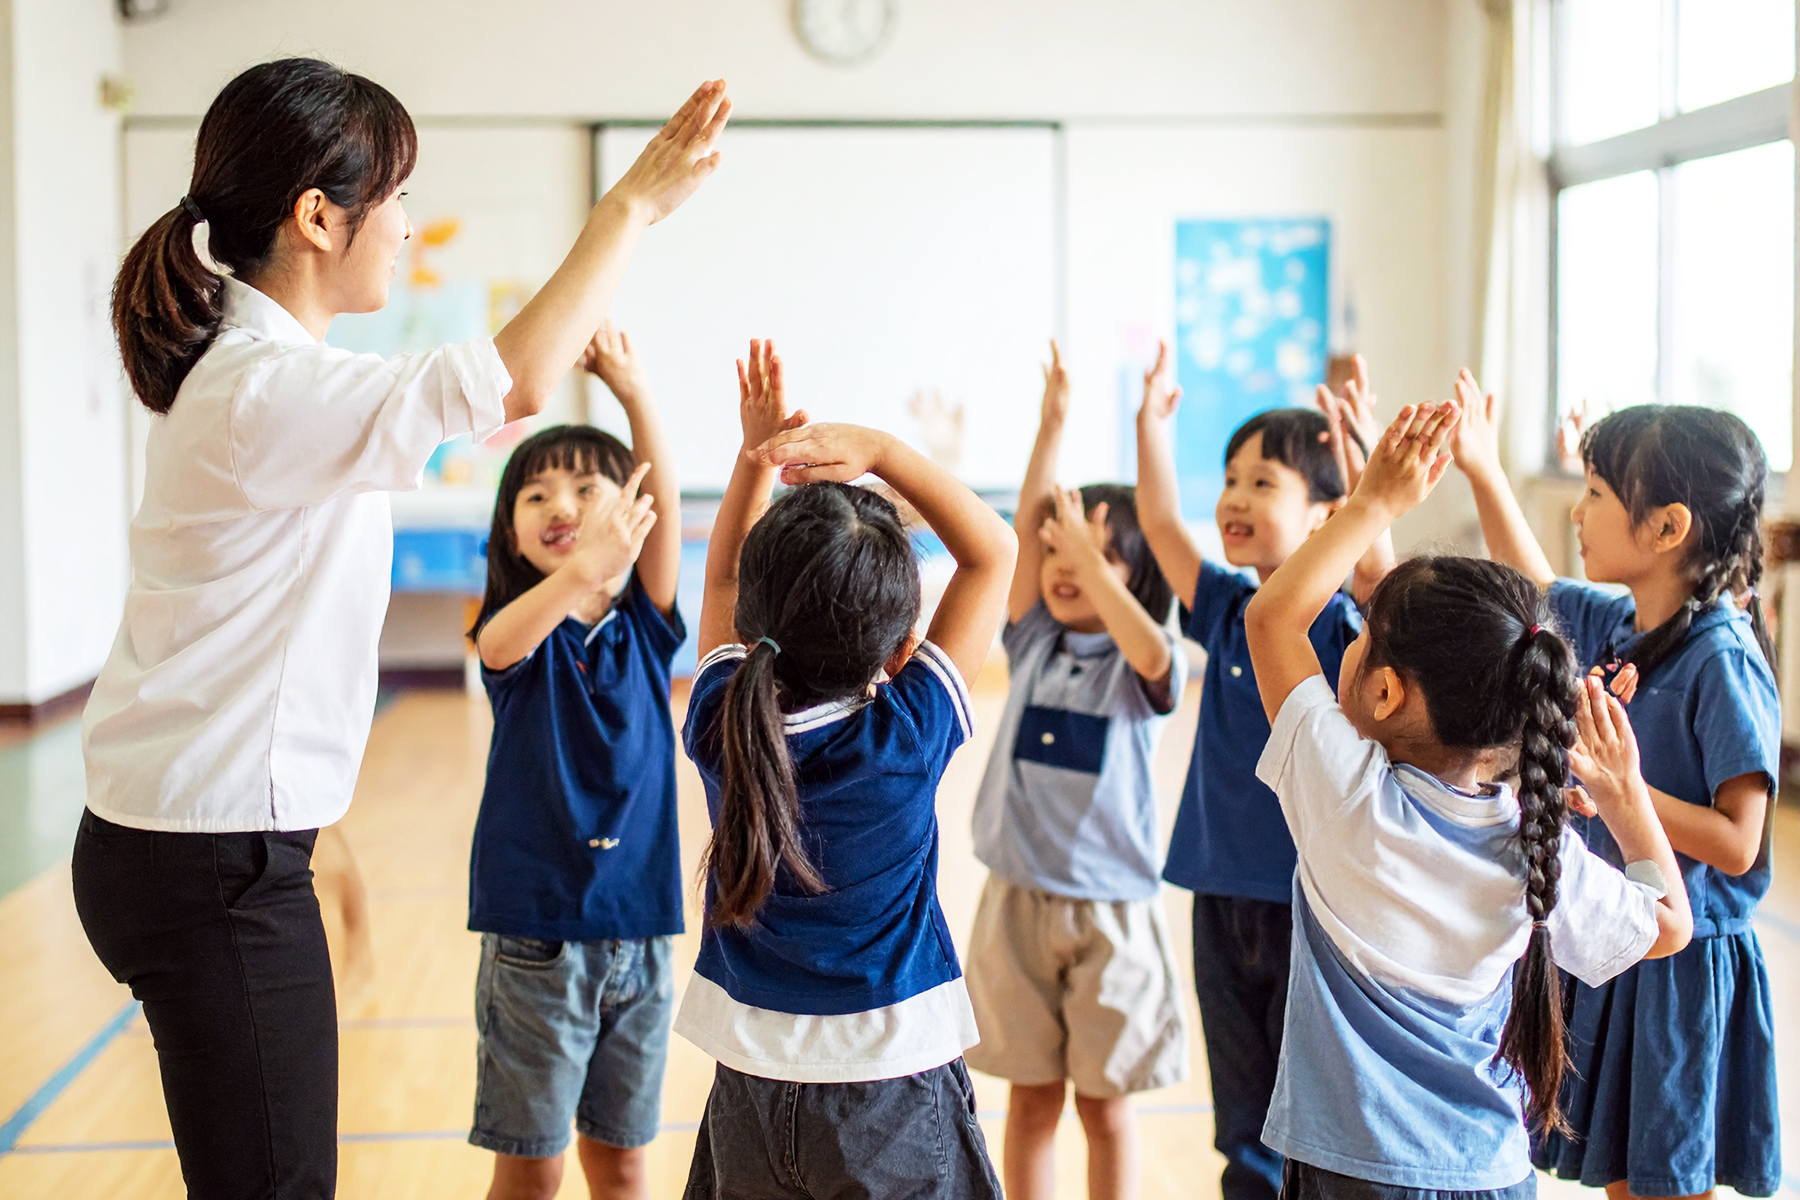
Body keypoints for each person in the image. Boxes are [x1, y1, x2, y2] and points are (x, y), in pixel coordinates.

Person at [73, 56, 729, 1199]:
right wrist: (629, 208)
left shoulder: (279, 379)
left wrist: (309, 831)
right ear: (318, 216)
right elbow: (515, 382)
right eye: (399, 200)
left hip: (213, 843)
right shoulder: (264, 388)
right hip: (207, 861)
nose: (411, 229)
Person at [1244, 398, 1693, 1200]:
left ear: (1383, 691)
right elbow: (1668, 927)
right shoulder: (1534, 841)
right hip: (1493, 1174)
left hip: (1355, 1177)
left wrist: (1375, 501)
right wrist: (1627, 803)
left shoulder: (1348, 799)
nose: (1343, 646)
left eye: (1360, 639)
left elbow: (1274, 616)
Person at [677, 340, 1014, 1199]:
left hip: (748, 1083)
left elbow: (717, 570)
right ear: (904, 648)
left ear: (752, 624)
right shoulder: (905, 737)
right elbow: (993, 553)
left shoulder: (723, 716)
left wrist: (755, 455)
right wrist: (884, 450)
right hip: (891, 1087)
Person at [1447, 382, 1783, 1200]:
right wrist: (1486, 470)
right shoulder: (1615, 621)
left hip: (1686, 966)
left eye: (1595, 494)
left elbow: (1740, 843)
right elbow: (1532, 585)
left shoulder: (1721, 658)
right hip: (1619, 938)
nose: (1577, 513)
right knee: (1625, 1182)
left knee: (1672, 1183)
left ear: (1668, 528)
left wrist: (1623, 788)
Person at [1134, 344, 1392, 1200]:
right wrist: (1151, 433)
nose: (1235, 499)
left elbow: (1382, 581)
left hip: (1309, 905)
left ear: (1328, 514)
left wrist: (1373, 495)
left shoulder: (1347, 626)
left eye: (1263, 483)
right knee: (1239, 1112)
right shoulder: (1226, 605)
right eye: (1231, 478)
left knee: (1305, 1110)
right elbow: (1165, 528)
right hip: (1221, 894)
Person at [462, 323, 683, 1200]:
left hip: (641, 931)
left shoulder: (645, 627)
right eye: (536, 497)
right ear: (508, 533)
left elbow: (657, 492)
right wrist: (585, 566)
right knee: (533, 1165)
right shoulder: (515, 639)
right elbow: (500, 644)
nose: (560, 507)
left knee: (624, 1162)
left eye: (586, 490)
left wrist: (633, 390)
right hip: (536, 940)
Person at [964, 341, 1189, 1200]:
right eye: (1060, 551)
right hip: (1019, 897)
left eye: (1096, 556)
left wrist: (1095, 564)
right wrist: (1051, 424)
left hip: (1113, 910)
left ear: (1135, 576)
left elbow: (1151, 649)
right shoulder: (1031, 641)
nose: (1066, 567)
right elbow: (1021, 534)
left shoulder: (1141, 663)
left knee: (1105, 1108)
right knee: (1029, 1100)